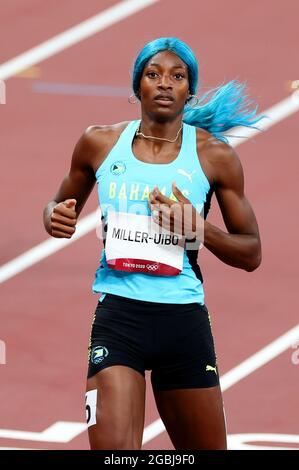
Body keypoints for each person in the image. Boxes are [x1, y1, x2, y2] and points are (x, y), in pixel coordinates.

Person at [43, 37, 262, 450]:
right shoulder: (99, 143)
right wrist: (54, 216)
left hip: (183, 322)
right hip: (119, 318)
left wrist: (197, 228)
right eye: (153, 74)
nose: (164, 83)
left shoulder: (214, 156)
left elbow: (252, 253)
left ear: (189, 90)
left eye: (177, 76)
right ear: (136, 87)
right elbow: (58, 203)